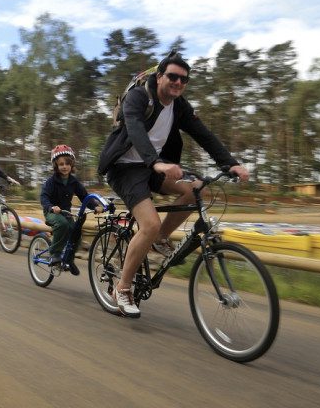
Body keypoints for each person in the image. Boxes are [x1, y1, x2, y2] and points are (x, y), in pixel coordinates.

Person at [97, 51, 250, 318]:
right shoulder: (138, 98)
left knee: (196, 189)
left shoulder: (180, 106)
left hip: (154, 166)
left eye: (184, 79)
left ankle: (159, 239)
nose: (178, 83)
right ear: (159, 77)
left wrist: (230, 163)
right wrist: (154, 161)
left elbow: (205, 135)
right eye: (173, 77)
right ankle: (122, 288)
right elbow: (134, 127)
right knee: (150, 222)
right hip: (125, 168)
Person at [39, 145, 99, 275]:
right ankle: (54, 254)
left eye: (67, 163)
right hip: (51, 212)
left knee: (76, 233)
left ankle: (69, 260)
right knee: (62, 224)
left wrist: (95, 206)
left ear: (71, 164)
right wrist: (50, 206)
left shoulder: (74, 181)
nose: (64, 166)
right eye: (61, 164)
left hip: (66, 212)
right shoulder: (51, 182)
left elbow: (84, 196)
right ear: (56, 165)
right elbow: (43, 197)